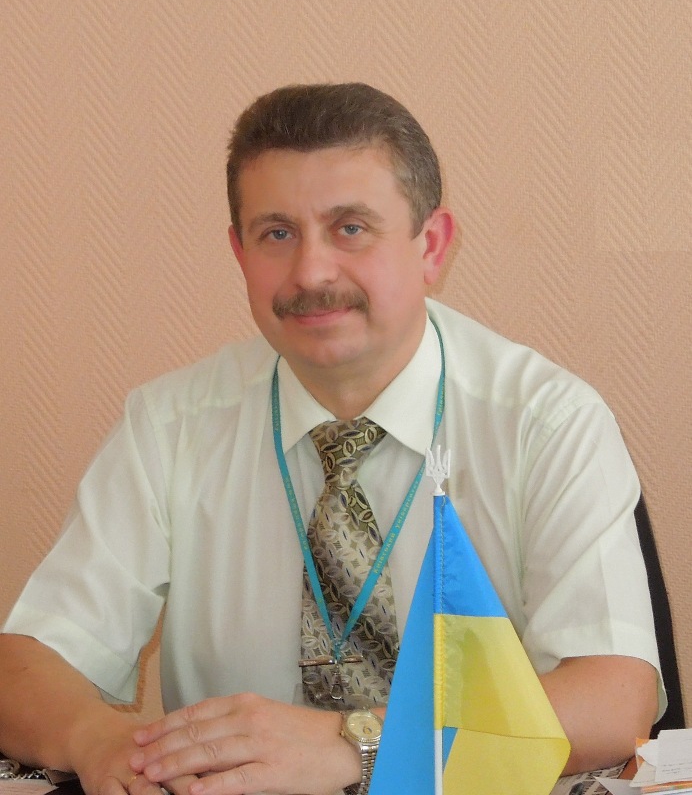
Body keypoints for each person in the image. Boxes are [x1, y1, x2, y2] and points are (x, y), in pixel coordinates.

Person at [0, 83, 663, 795]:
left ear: (432, 245)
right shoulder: (169, 426)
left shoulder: (546, 421)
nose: (312, 272)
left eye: (350, 228)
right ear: (239, 251)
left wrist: (357, 742)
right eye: (277, 234)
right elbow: (26, 663)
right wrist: (101, 740)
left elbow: (612, 697)